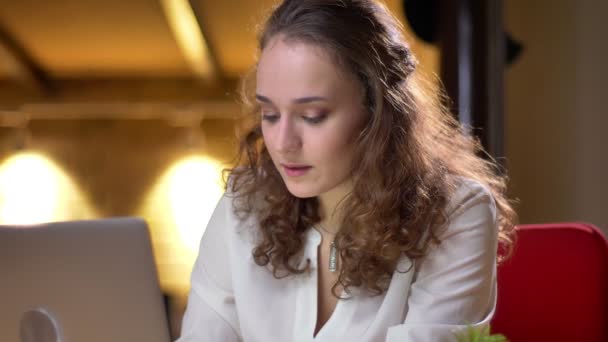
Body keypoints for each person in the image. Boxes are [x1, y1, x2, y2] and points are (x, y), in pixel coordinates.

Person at [177, 0, 516, 341]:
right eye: (270, 114)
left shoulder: (457, 213)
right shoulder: (243, 204)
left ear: (379, 112)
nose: (282, 144)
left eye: (313, 116)